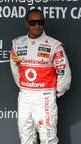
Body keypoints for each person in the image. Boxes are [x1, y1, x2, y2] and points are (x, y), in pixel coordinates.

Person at [10, 8, 71, 144]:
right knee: (25, 137)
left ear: (44, 23)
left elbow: (63, 73)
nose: (37, 25)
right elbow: (15, 68)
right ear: (26, 24)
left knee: (48, 138)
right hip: (25, 96)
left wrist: (52, 93)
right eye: (33, 22)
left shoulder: (54, 45)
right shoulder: (17, 43)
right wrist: (25, 87)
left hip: (44, 97)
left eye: (40, 22)